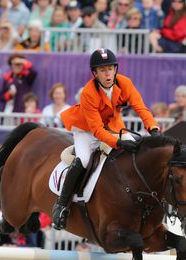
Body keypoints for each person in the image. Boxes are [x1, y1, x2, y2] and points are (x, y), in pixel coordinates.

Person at [52, 48, 159, 230]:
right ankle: (61, 206)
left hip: (113, 125)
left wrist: (154, 129)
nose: (108, 73)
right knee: (84, 159)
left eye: (110, 68)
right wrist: (117, 142)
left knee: (136, 152)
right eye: (103, 70)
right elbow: (97, 130)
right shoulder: (88, 93)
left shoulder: (125, 83)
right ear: (95, 73)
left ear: (115, 69)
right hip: (86, 129)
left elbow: (141, 108)